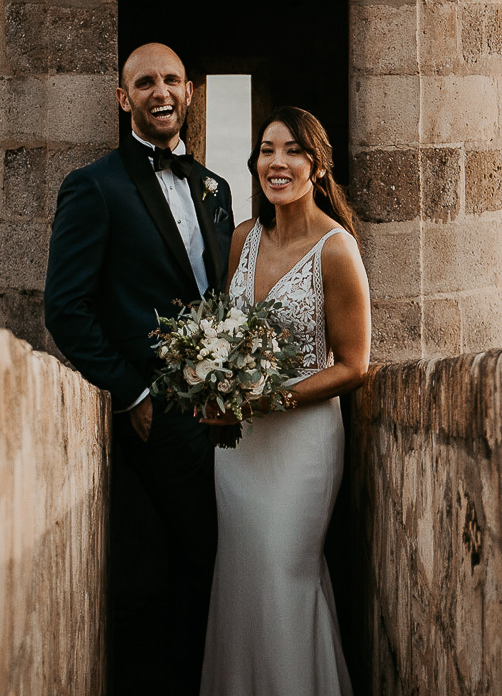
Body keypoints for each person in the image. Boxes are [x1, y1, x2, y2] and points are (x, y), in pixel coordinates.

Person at [43, 42, 235, 696]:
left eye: (173, 80)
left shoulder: (216, 189)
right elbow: (65, 309)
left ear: (189, 92)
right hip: (155, 421)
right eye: (145, 82)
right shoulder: (94, 186)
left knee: (213, 568)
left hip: (220, 419)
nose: (162, 92)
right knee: (178, 570)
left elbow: (218, 298)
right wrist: (134, 393)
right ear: (123, 97)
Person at [199, 106, 371, 696]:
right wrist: (210, 381)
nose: (277, 161)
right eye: (267, 149)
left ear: (316, 165)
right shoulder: (243, 238)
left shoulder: (337, 249)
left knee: (283, 574)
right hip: (239, 446)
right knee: (243, 576)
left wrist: (266, 400)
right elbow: (227, 331)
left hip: (302, 445)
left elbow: (353, 366)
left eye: (292, 150)